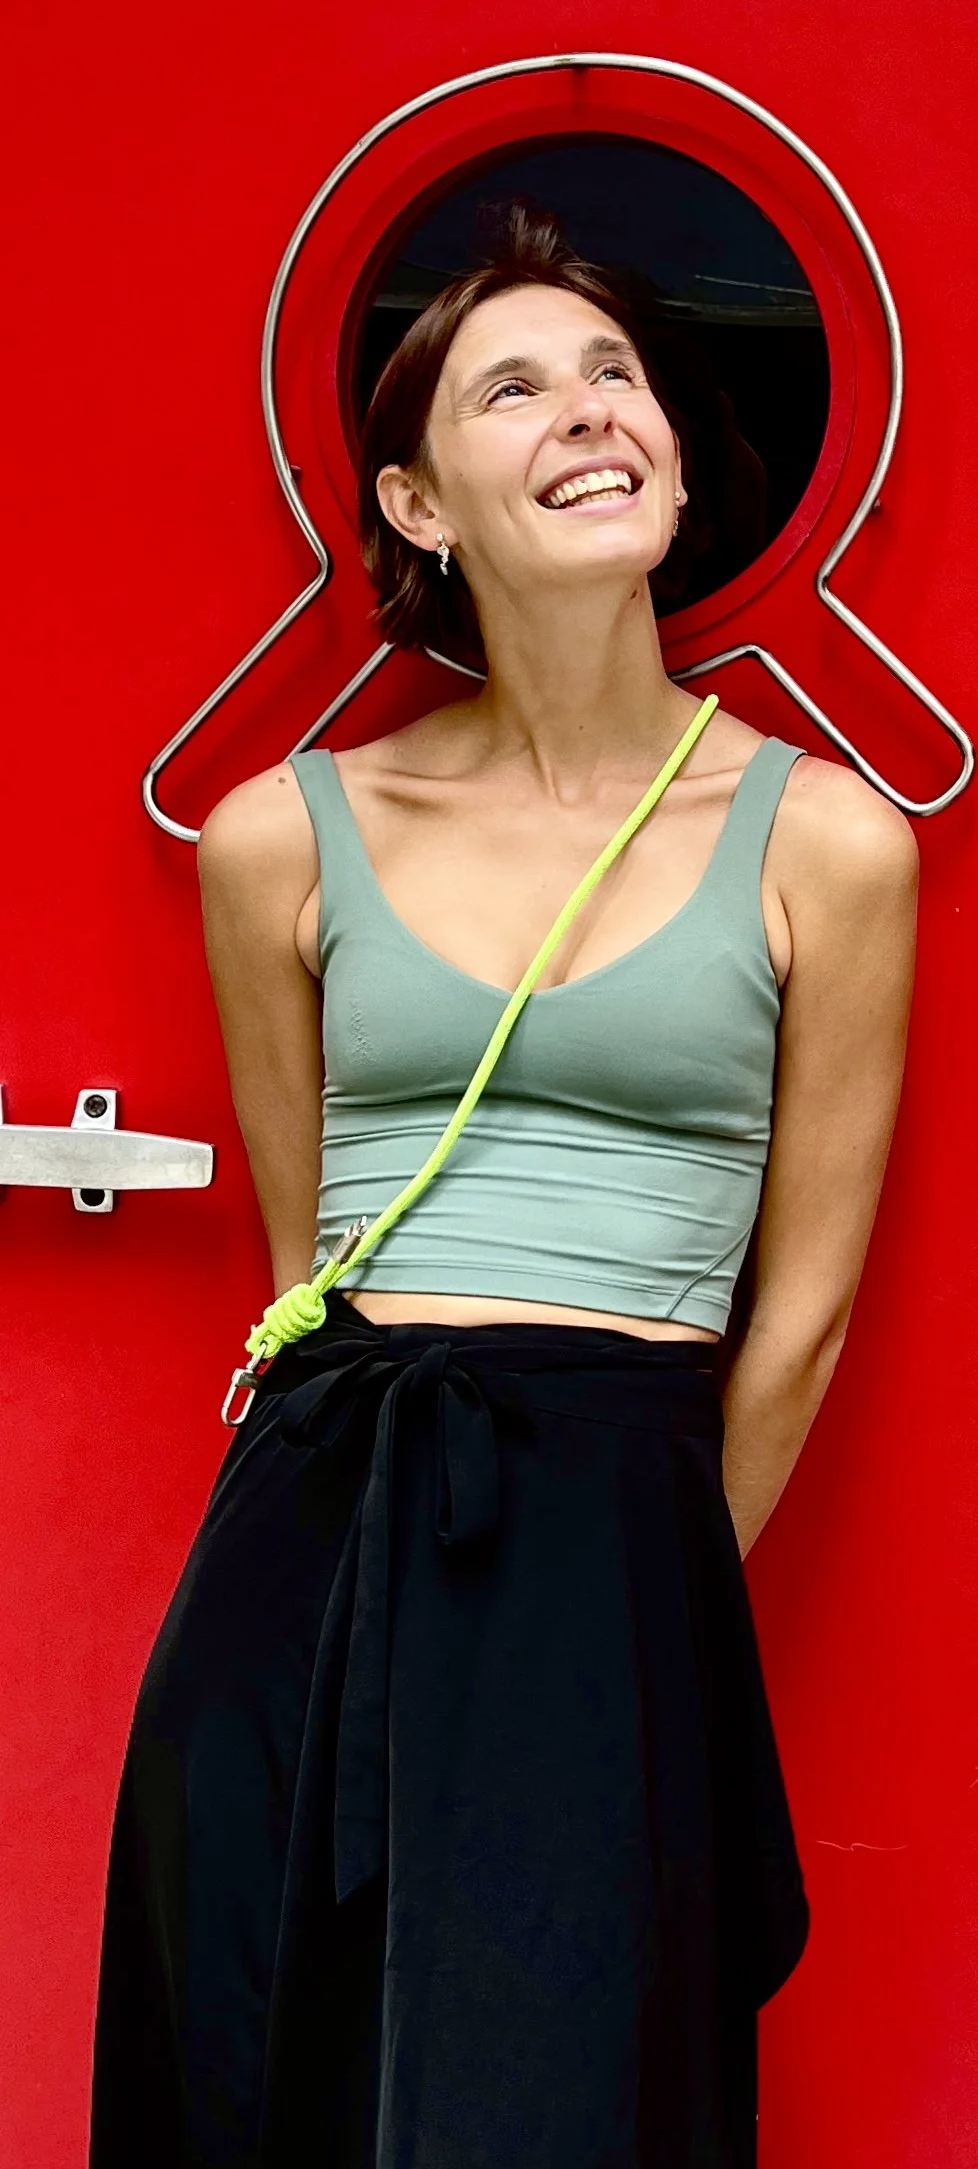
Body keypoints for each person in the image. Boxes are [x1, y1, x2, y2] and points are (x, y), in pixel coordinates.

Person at [90, 205, 918, 2169]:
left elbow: (796, 1314)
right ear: (416, 495)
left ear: (683, 457)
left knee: (558, 2081)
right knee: (252, 2057)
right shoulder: (280, 832)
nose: (583, 411)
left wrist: (622, 1589)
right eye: (513, 385)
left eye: (615, 372)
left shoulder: (826, 838)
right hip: (326, 1507)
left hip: (615, 1515)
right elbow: (304, 1258)